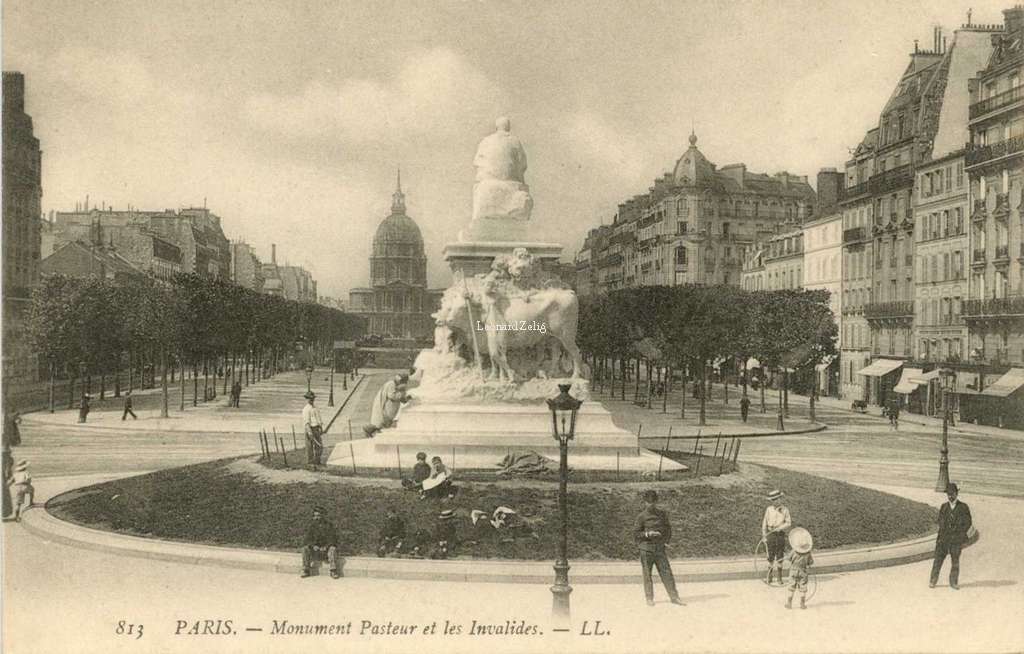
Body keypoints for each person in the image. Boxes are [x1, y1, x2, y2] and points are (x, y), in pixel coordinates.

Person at [634, 489, 683, 606]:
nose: (651, 505)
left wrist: (666, 541)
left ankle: (674, 597)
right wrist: (647, 534)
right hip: (646, 549)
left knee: (667, 573)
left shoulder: (662, 514)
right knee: (647, 574)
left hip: (660, 549)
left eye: (653, 502)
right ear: (644, 502)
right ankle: (649, 598)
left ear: (656, 502)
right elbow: (636, 534)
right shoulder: (641, 517)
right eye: (648, 502)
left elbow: (668, 530)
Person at [930, 482, 972, 590]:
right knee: (938, 560)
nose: (950, 496)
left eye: (952, 493)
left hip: (956, 540)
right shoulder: (944, 507)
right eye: (948, 494)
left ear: (956, 494)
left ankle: (953, 582)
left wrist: (959, 532)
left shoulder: (963, 507)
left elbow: (968, 523)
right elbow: (940, 521)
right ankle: (933, 581)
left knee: (955, 562)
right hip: (943, 539)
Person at [761, 489, 791, 585]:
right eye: (772, 500)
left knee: (779, 555)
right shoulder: (769, 509)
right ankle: (769, 577)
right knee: (770, 555)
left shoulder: (785, 510)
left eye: (776, 499)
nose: (774, 502)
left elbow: (788, 523)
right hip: (770, 534)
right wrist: (764, 535)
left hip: (780, 535)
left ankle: (779, 577)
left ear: (780, 499)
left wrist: (780, 528)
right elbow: (764, 522)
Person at [300, 506, 340, 578]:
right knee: (304, 549)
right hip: (315, 550)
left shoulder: (329, 526)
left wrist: (326, 547)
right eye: (315, 516)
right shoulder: (311, 526)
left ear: (323, 516)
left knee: (332, 549)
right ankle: (306, 570)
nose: (316, 518)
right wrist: (313, 546)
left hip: (326, 550)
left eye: (318, 516)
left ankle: (333, 571)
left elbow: (333, 539)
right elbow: (306, 539)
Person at [785, 527, 814, 609]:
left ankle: (789, 603)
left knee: (791, 587)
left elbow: (788, 558)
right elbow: (811, 562)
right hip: (803, 571)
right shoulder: (808, 553)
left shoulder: (793, 552)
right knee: (803, 587)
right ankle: (802, 604)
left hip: (793, 571)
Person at [302, 391, 324, 465]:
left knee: (319, 445)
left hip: (316, 428)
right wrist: (309, 431)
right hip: (310, 428)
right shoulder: (306, 409)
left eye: (312, 399)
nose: (311, 400)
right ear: (307, 399)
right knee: (309, 446)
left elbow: (319, 418)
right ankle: (310, 462)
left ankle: (317, 461)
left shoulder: (315, 408)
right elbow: (306, 422)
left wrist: (320, 427)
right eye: (310, 399)